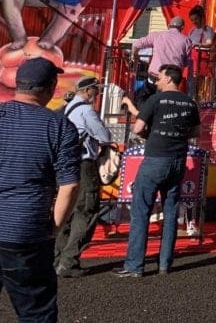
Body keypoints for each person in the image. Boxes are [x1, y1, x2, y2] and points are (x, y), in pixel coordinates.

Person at [0, 58, 80, 321]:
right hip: (25, 229)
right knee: (36, 311)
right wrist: (53, 227)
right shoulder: (59, 126)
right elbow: (69, 186)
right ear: (51, 87)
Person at [116, 64, 200, 278]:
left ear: (170, 79)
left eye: (160, 77)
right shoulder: (190, 103)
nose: (157, 81)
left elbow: (137, 128)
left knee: (141, 211)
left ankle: (135, 266)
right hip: (178, 160)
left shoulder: (155, 100)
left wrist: (153, 133)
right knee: (171, 211)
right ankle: (165, 264)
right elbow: (195, 131)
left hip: (155, 159)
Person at [54, 75, 112, 277]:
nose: (97, 93)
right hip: (84, 164)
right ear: (88, 91)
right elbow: (104, 136)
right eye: (95, 90)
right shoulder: (86, 111)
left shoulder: (66, 109)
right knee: (87, 210)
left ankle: (56, 257)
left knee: (66, 211)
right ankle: (69, 261)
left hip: (65, 164)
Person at [131, 16, 193, 80]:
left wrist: (136, 58)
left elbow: (136, 44)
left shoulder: (156, 35)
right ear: (182, 27)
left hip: (155, 75)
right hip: (173, 78)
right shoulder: (186, 41)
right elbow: (186, 63)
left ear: (169, 25)